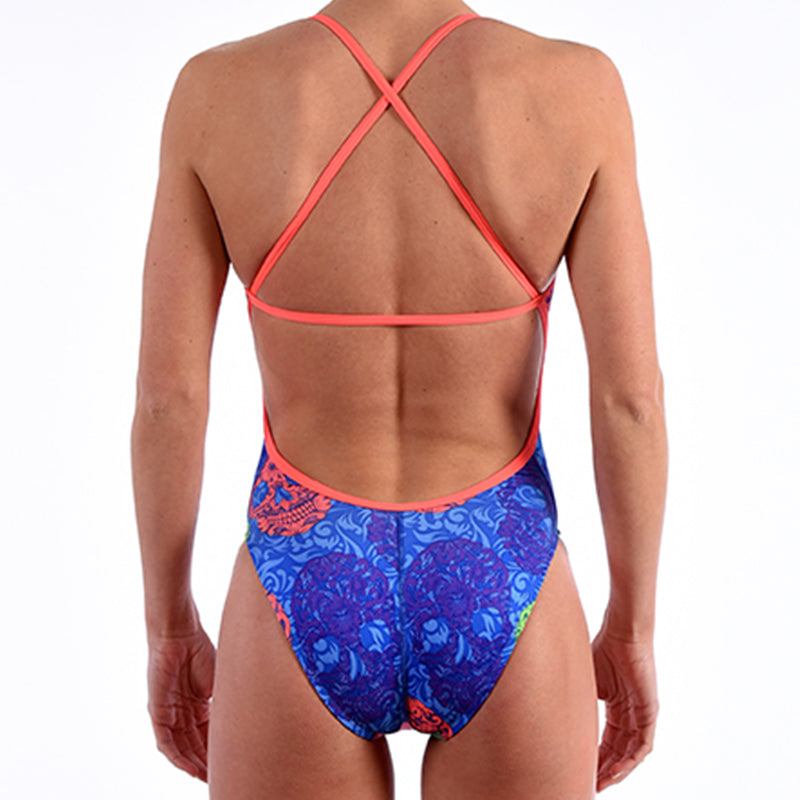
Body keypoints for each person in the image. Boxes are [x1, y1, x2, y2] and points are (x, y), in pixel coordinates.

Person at [131, 0, 667, 796]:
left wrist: (169, 625)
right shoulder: (575, 88)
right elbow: (631, 400)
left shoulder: (217, 92)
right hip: (500, 564)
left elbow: (167, 401)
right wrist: (632, 626)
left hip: (303, 564)